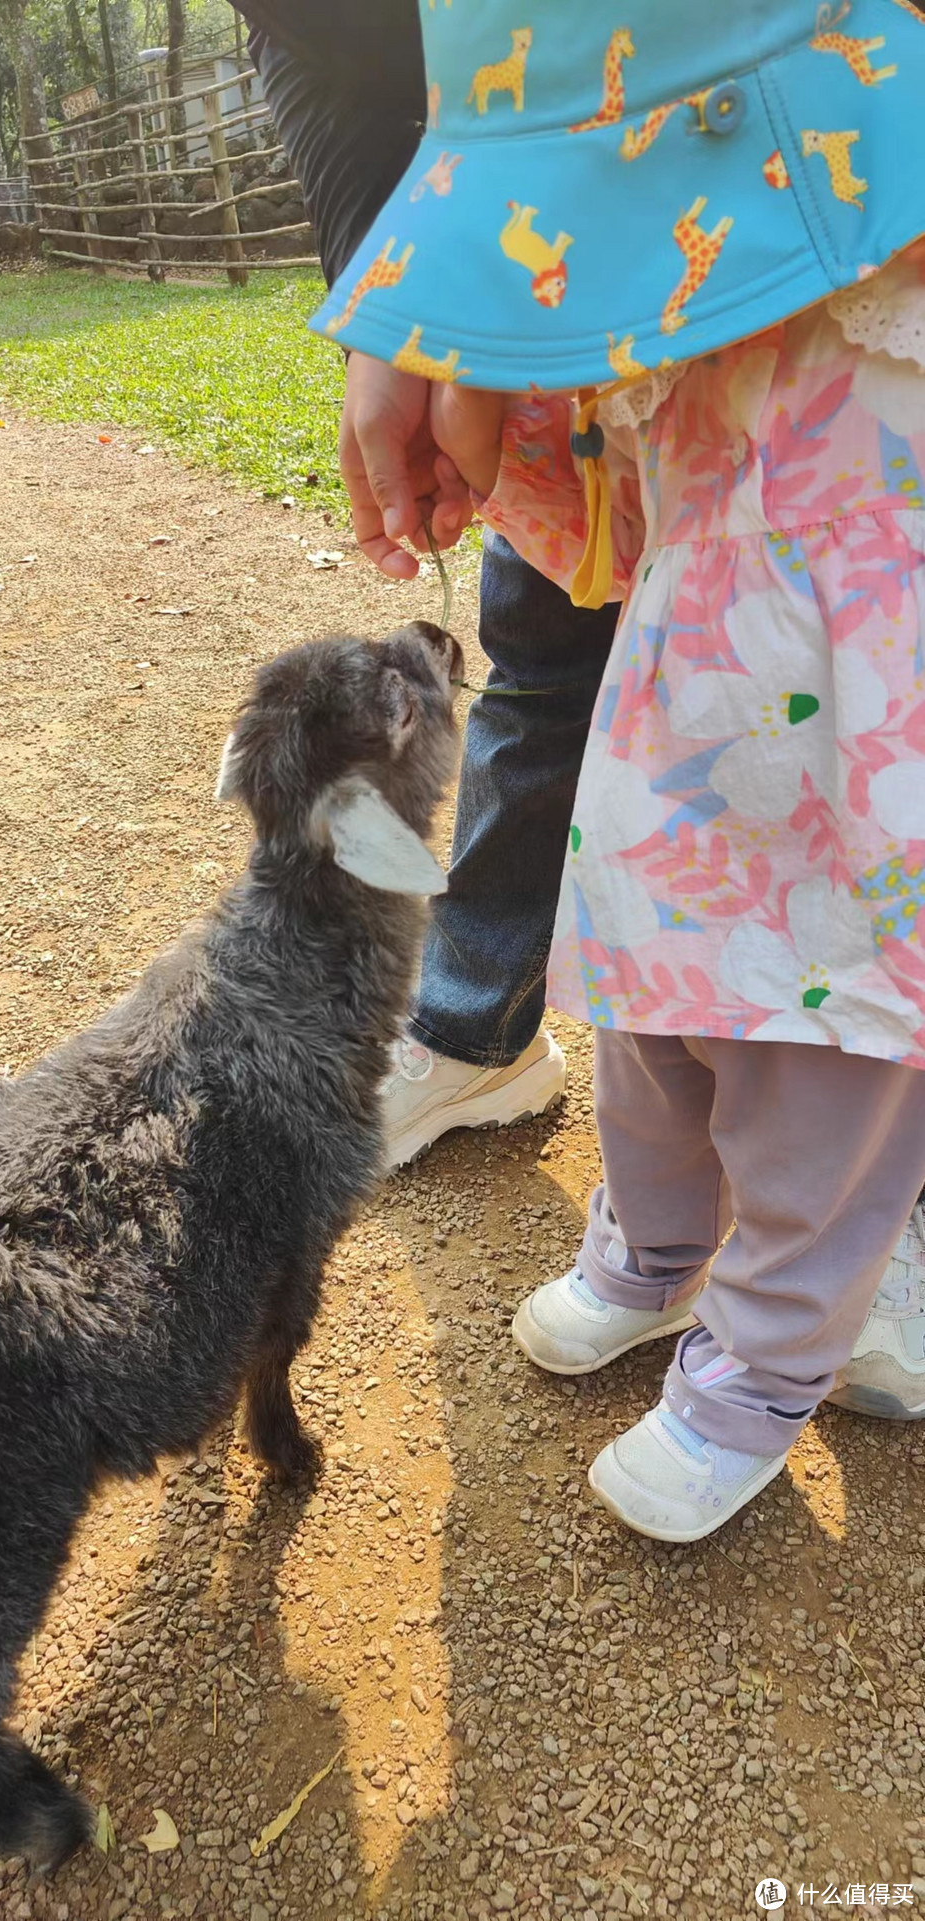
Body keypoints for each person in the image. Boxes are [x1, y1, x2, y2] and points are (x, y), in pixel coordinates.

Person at [242, 0, 925, 1479]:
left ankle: (787, 1327)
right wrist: (451, 318)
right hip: (690, 549)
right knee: (647, 905)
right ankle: (667, 1238)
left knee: (835, 955)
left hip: (870, 400)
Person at [240, 0, 616, 1173]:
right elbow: (329, 74)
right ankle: (475, 1025)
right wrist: (396, 318)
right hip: (531, 307)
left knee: (823, 681)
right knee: (544, 658)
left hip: (777, 240)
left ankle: (861, 1187)